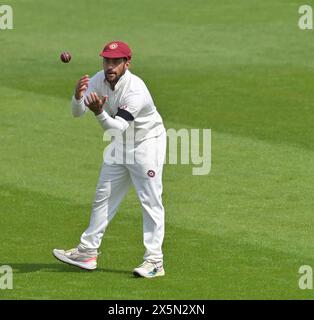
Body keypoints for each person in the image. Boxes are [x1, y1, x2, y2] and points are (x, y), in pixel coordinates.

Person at [52, 41, 166, 278]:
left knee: (150, 201)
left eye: (116, 62)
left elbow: (117, 128)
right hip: (120, 145)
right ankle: (87, 252)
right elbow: (77, 113)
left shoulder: (136, 89)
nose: (110, 66)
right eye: (107, 61)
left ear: (127, 63)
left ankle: (155, 261)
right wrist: (76, 97)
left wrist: (99, 112)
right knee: (103, 196)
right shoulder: (97, 79)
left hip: (147, 144)